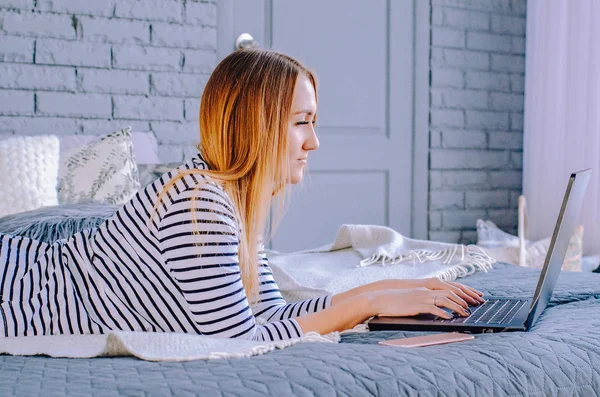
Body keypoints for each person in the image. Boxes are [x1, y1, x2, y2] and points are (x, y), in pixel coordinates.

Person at [0, 49, 484, 341]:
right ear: (257, 126)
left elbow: (267, 315)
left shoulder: (227, 199)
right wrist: (365, 306)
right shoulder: (201, 202)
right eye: (302, 124)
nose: (314, 143)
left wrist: (386, 292)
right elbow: (242, 337)